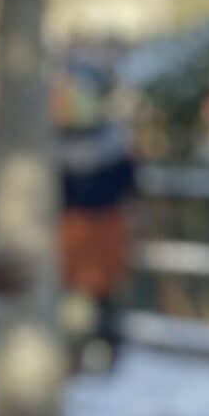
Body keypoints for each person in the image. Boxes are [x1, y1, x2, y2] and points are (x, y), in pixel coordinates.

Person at [54, 57, 137, 372]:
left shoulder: (114, 140)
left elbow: (126, 183)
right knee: (74, 298)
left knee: (105, 294)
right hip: (72, 228)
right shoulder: (57, 142)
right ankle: (76, 353)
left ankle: (107, 350)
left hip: (103, 226)